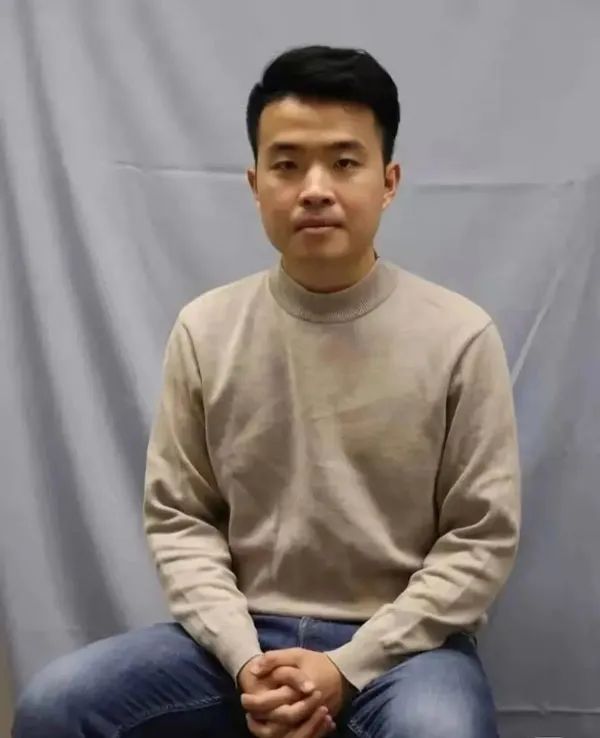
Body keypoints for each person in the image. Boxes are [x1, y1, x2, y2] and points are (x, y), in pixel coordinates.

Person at [12, 45, 520, 738]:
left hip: (406, 650)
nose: (315, 188)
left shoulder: (460, 335)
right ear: (255, 184)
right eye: (287, 165)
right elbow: (181, 521)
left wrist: (347, 666)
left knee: (441, 731)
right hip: (239, 638)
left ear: (388, 181)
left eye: (344, 162)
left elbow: (479, 542)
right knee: (55, 704)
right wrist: (245, 658)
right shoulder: (205, 329)